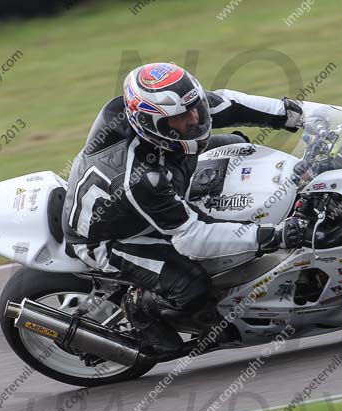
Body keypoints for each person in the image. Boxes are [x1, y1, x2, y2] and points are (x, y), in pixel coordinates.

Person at [62, 62, 305, 356]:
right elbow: (193, 238)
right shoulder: (141, 179)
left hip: (159, 178)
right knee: (192, 286)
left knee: (239, 146)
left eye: (196, 109)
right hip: (113, 238)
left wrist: (296, 114)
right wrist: (271, 236)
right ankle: (140, 308)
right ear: (152, 125)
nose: (194, 120)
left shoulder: (168, 114)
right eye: (182, 118)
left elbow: (229, 103)